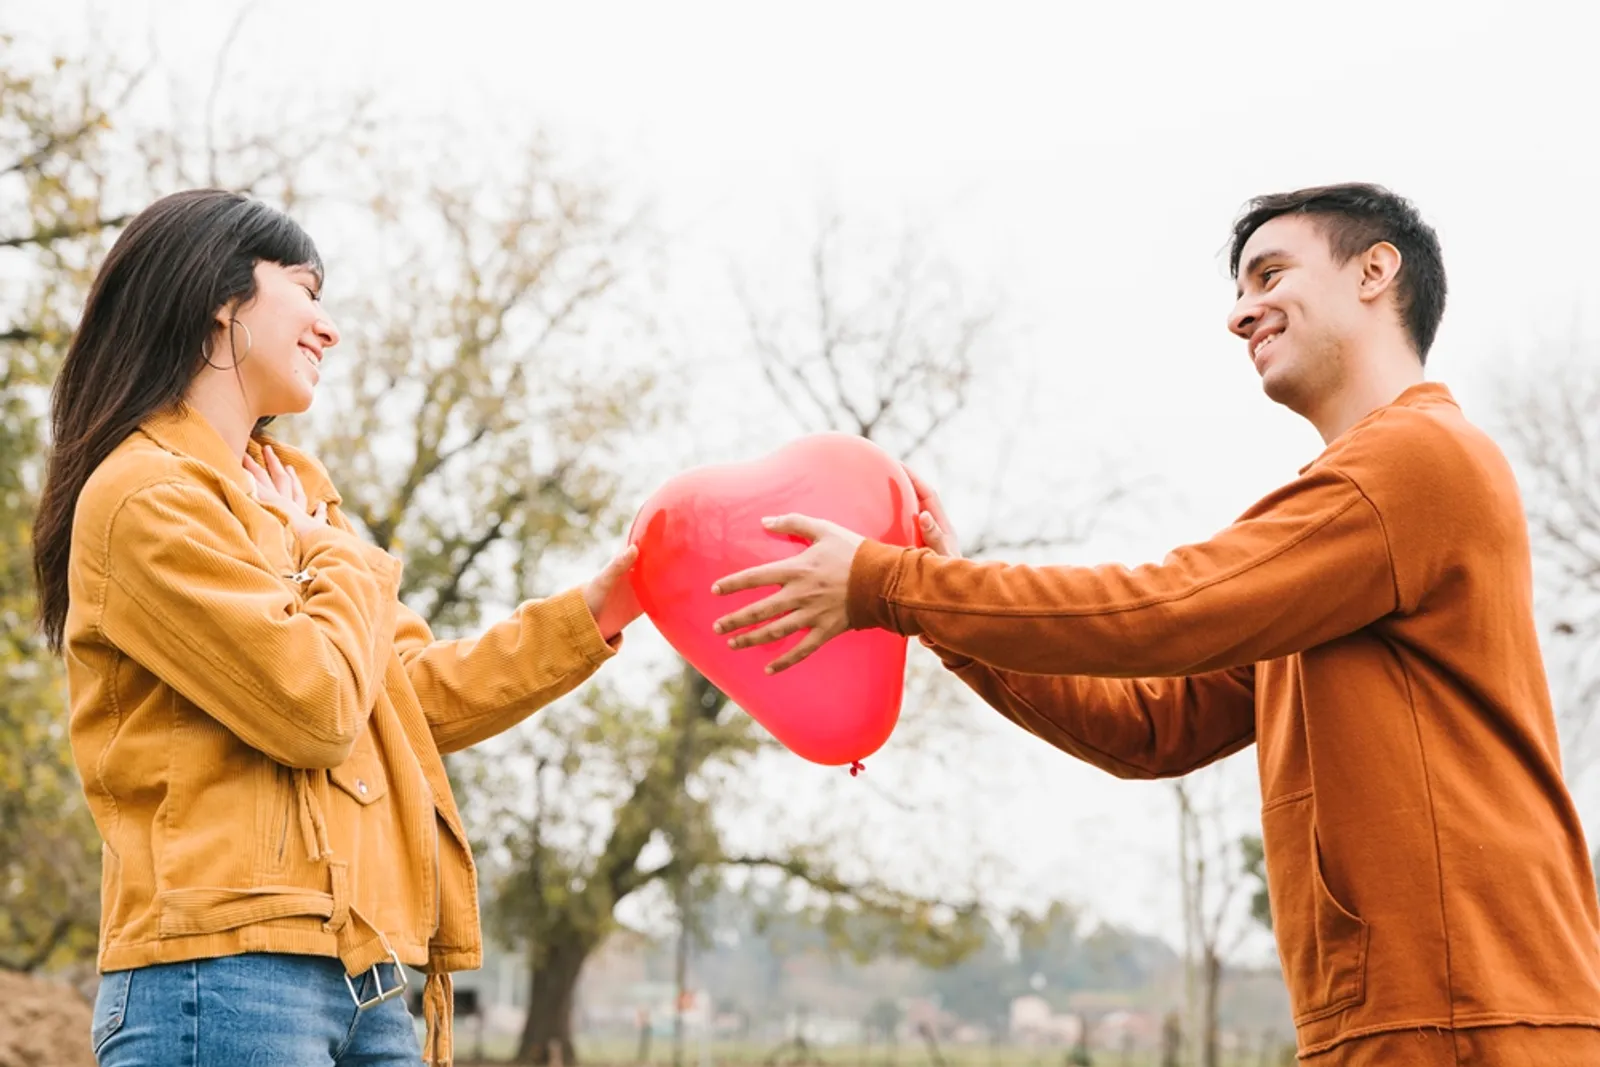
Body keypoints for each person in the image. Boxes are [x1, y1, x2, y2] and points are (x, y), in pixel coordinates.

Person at [709, 183, 1600, 1065]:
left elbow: (1171, 606)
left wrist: (893, 584)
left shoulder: (1415, 460)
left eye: (1269, 274)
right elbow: (1150, 725)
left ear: (1375, 271)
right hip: (1410, 1012)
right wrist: (944, 615)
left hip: (1469, 1009)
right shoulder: (1352, 524)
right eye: (1239, 292)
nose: (1241, 314)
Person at [31, 188, 642, 1066]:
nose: (330, 326)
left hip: (373, 978)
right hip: (230, 977)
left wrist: (602, 608)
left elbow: (406, 698)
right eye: (308, 290)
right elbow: (312, 705)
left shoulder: (297, 495)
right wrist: (335, 554)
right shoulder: (146, 496)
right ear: (221, 295)